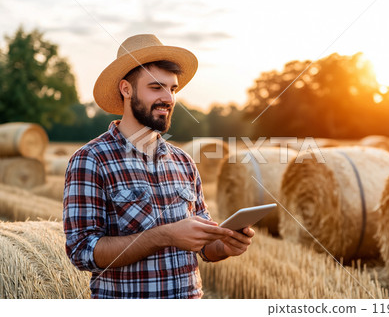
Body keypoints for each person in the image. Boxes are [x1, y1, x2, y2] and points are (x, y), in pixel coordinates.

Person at [63, 34, 255, 299]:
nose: (169, 98)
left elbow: (204, 246)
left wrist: (224, 245)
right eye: (156, 87)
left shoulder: (183, 161)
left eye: (172, 89)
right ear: (126, 89)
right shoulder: (91, 160)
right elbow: (83, 252)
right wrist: (165, 236)